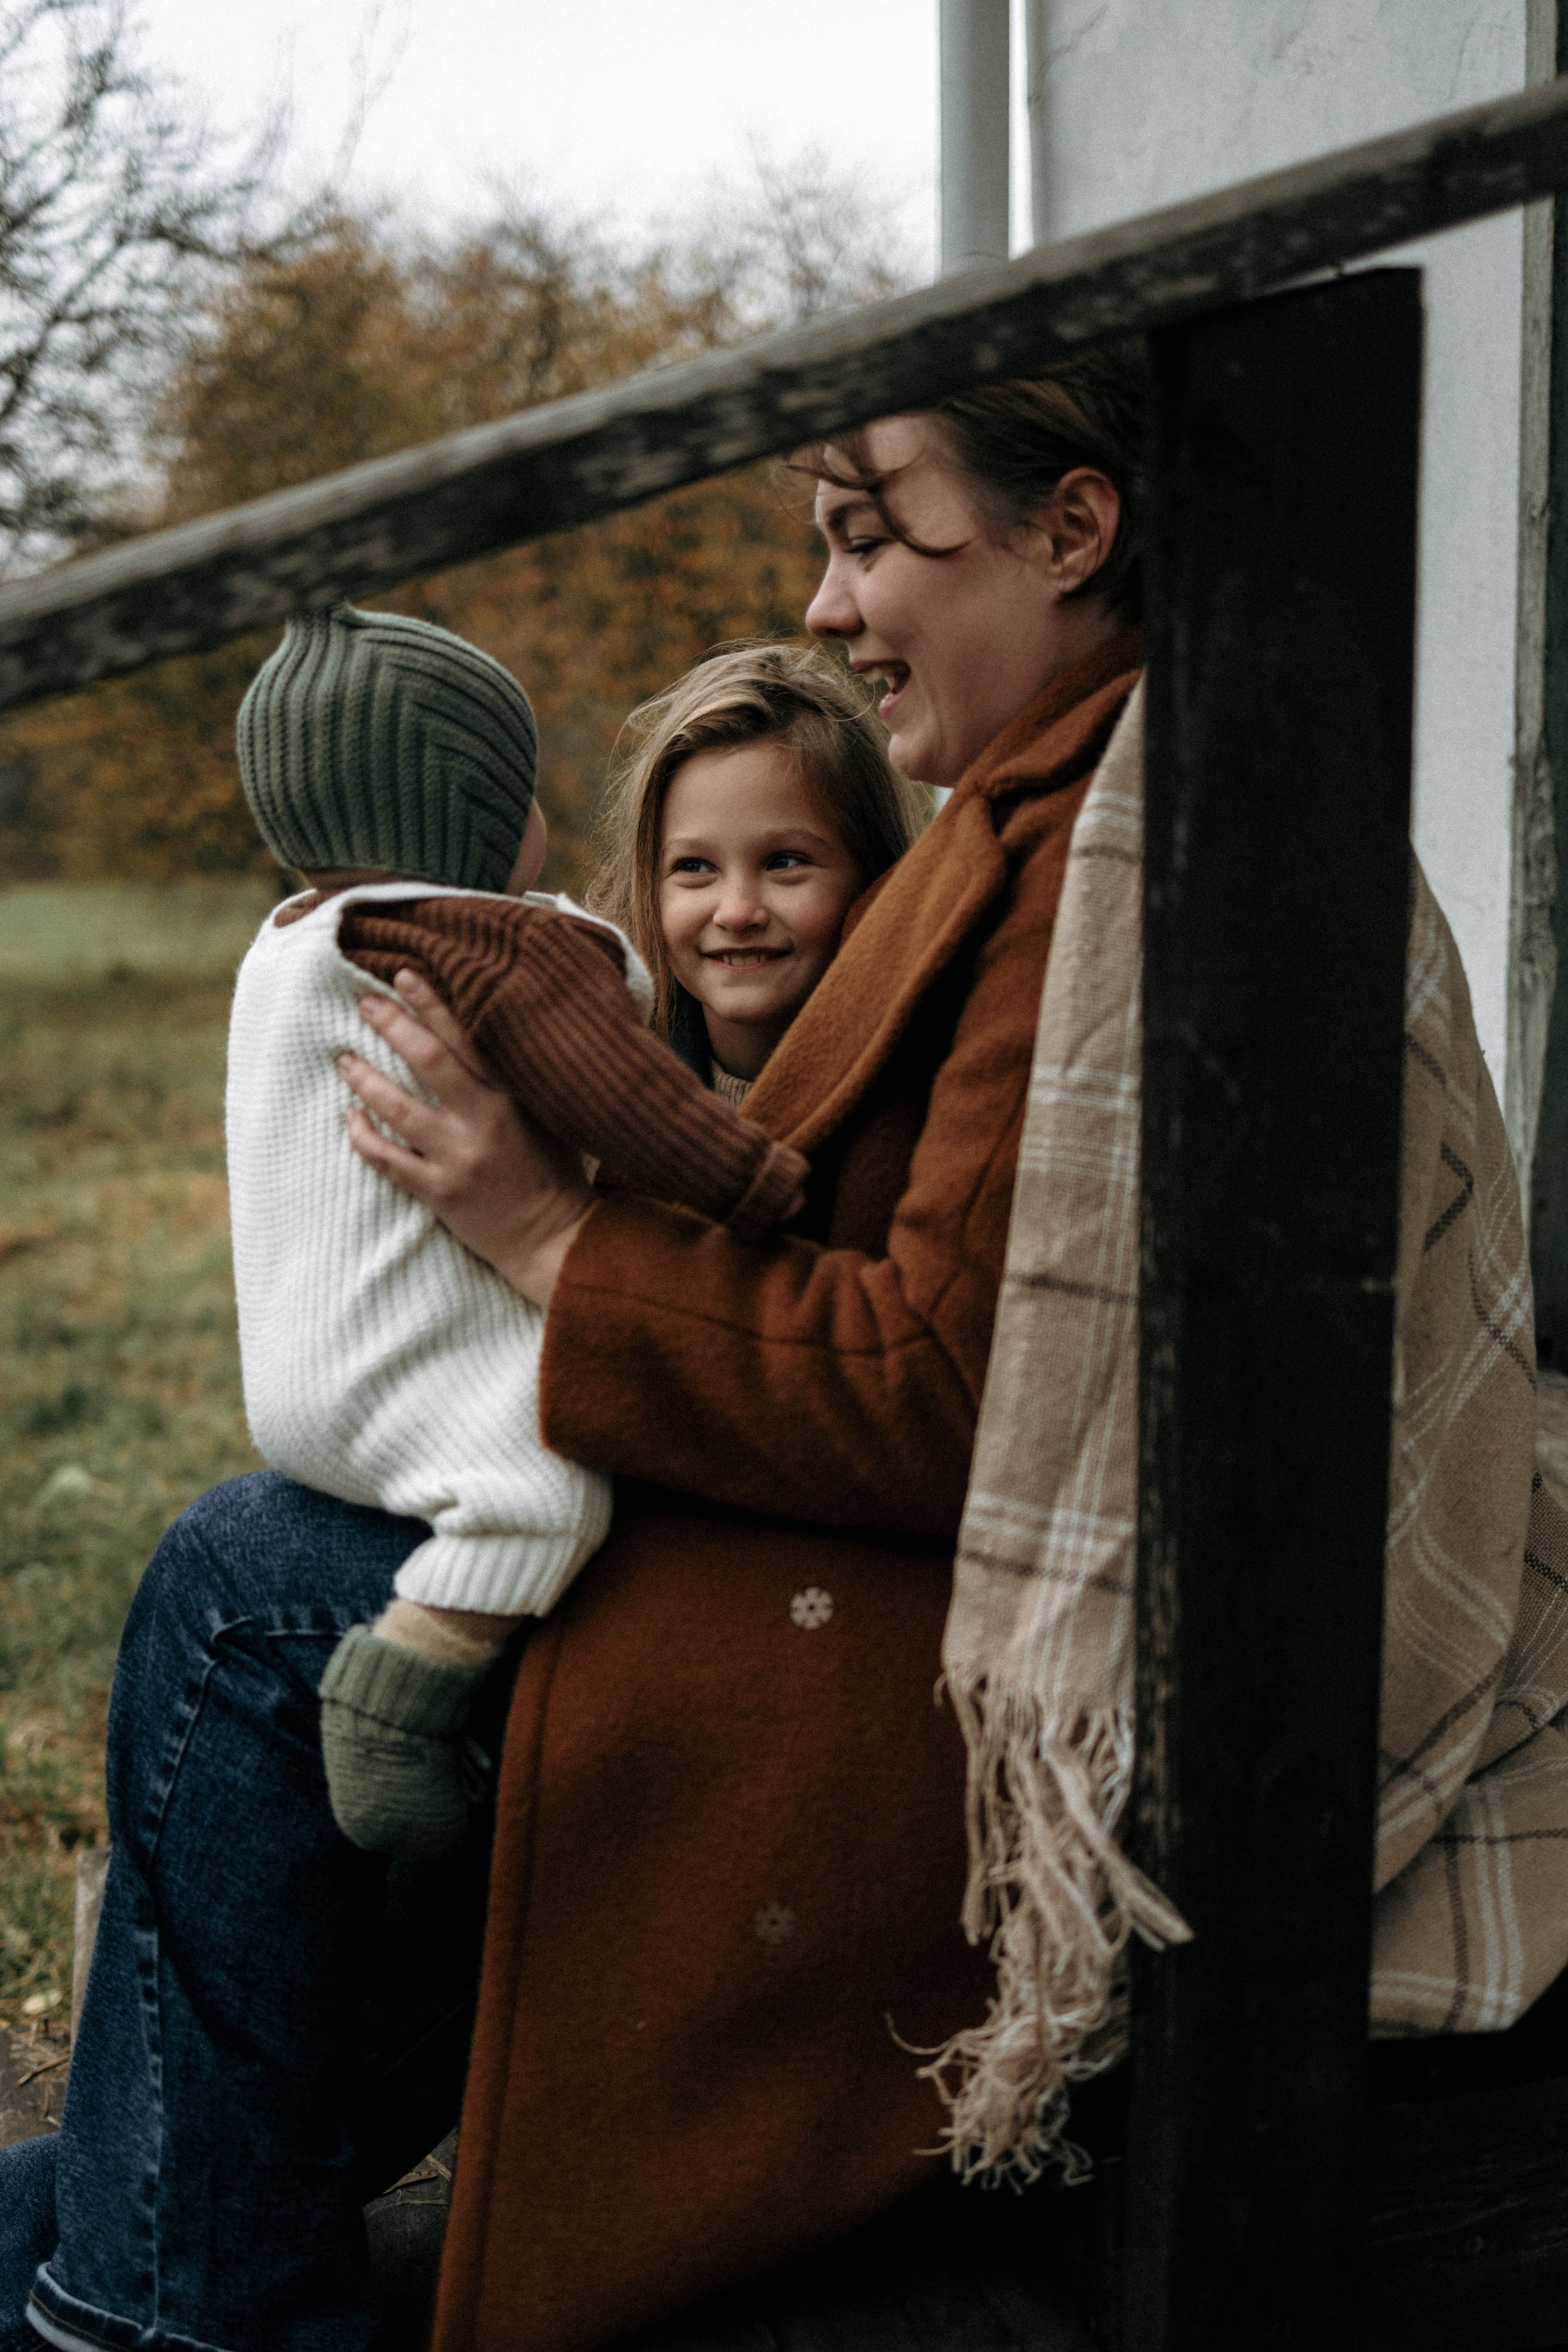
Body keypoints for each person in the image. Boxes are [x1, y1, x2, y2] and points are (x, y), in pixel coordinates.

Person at [0, 343, 1145, 2352]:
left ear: (1073, 529)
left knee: (243, 1585)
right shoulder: (1051, 821)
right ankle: (129, 2274)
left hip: (874, 1614)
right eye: (822, 544)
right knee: (256, 1634)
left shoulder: (1076, 862)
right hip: (836, 1532)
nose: (826, 596)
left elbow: (924, 1387)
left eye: (873, 536)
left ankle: (164, 2312)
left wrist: (544, 1228)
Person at [227, 612, 844, 1863]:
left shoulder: (299, 944)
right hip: (429, 1392)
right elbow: (629, 1106)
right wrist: (755, 1182)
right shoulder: (498, 954)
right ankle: (389, 1740)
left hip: (348, 1401)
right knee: (477, 1500)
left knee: (233, 1569)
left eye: (787, 863)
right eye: (689, 870)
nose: (734, 910)